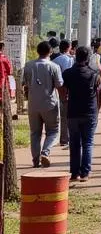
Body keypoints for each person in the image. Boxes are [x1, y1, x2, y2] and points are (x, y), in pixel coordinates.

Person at [63, 46, 101, 183]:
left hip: (73, 112)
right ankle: (85, 173)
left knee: (74, 143)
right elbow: (99, 91)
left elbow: (63, 92)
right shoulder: (94, 74)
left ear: (76, 56)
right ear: (88, 58)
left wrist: (66, 101)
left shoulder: (68, 73)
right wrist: (97, 107)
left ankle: (74, 173)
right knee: (88, 143)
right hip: (90, 111)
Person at [23, 40, 63, 168]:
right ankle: (45, 152)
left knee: (35, 133)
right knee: (53, 131)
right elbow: (59, 84)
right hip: (49, 104)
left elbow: (23, 83)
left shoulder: (28, 65)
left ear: (37, 52)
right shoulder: (54, 67)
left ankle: (35, 160)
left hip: (33, 104)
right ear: (50, 52)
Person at [52, 38, 75, 148]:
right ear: (69, 47)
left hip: (58, 90)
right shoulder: (69, 60)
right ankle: (68, 138)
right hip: (69, 91)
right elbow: (68, 76)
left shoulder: (55, 60)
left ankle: (63, 138)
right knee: (69, 116)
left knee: (63, 116)